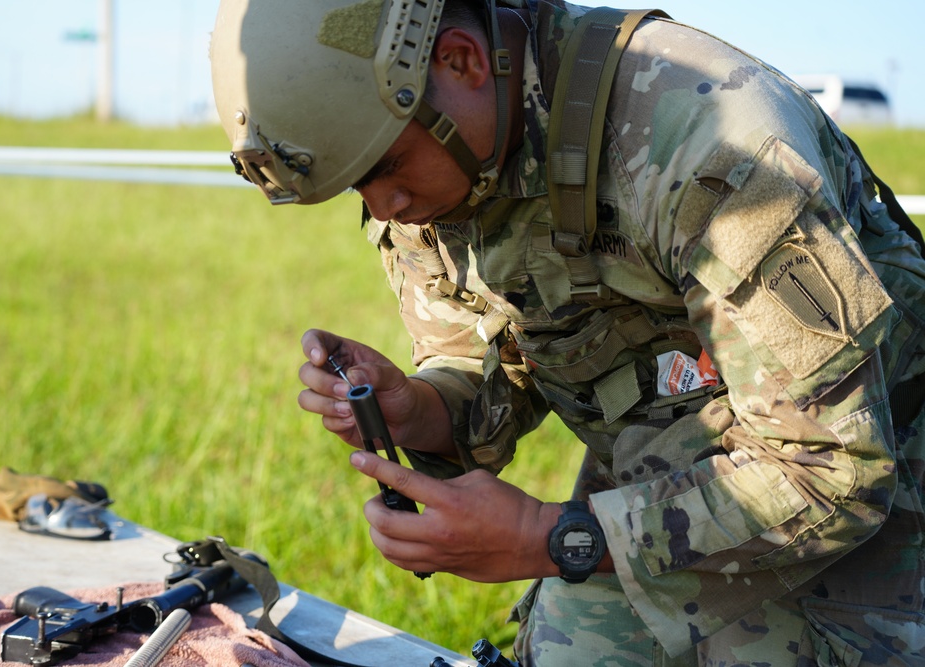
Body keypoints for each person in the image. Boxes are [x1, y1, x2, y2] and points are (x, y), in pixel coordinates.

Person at [210, 0, 925, 663]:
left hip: (882, 525)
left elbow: (838, 471)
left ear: (460, 60)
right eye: (359, 186)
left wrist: (549, 537)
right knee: (569, 643)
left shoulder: (707, 148)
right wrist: (420, 408)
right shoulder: (439, 152)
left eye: (387, 167)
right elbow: (494, 362)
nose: (388, 207)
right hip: (676, 485)